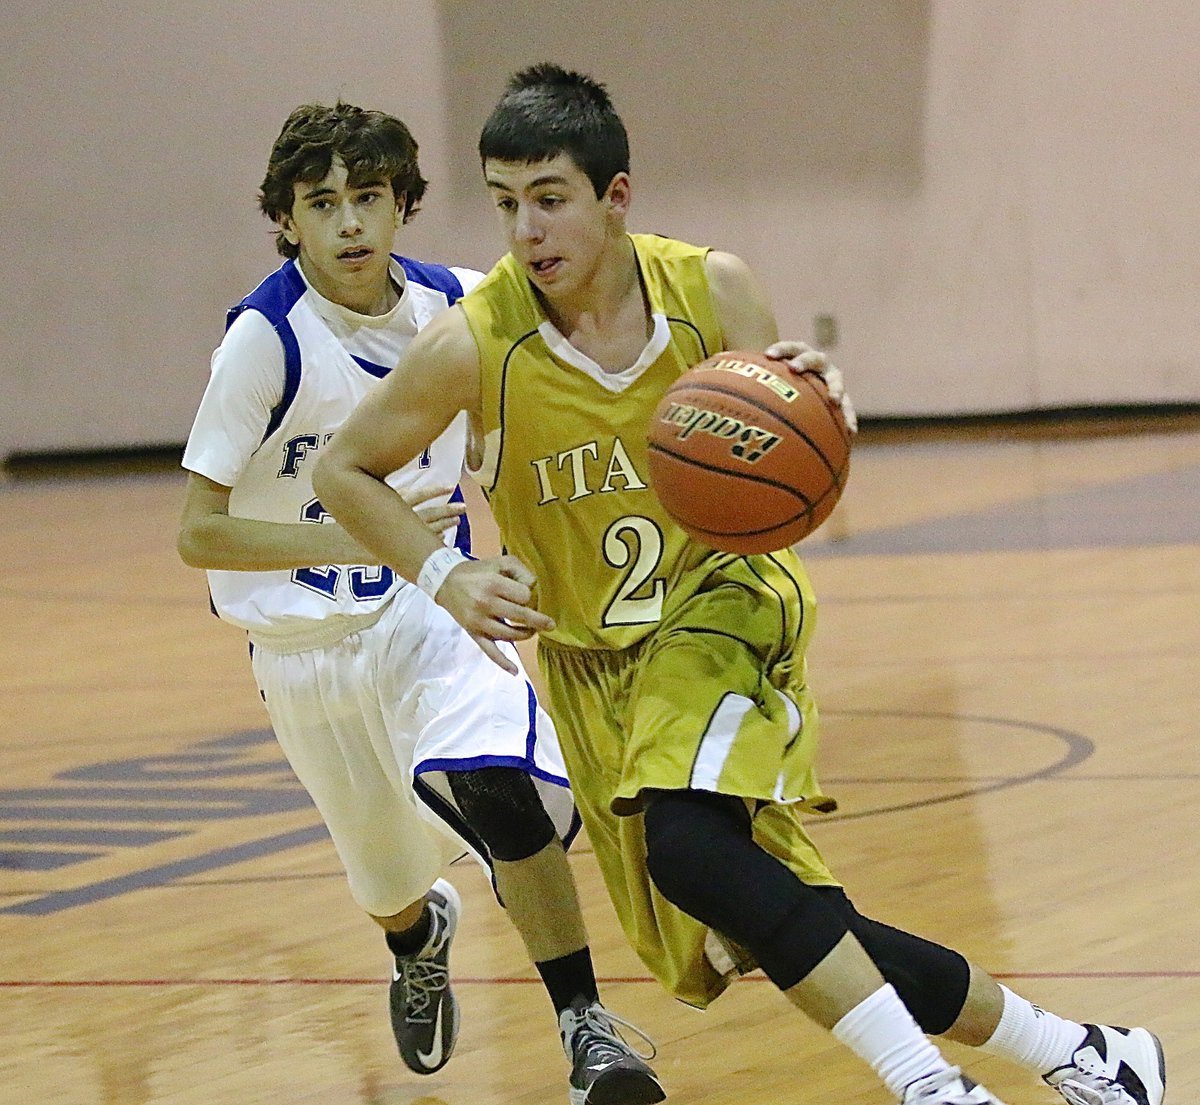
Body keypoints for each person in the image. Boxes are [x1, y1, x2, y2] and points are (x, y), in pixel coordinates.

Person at [312, 67, 1166, 1105]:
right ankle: (1086, 1054)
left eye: (550, 197)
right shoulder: (474, 342)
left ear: (614, 196)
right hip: (595, 670)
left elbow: (795, 448)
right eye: (503, 203)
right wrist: (445, 574)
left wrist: (816, 403)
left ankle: (934, 1090)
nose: (526, 228)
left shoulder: (708, 290)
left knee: (689, 849)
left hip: (727, 610)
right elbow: (341, 469)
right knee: (767, 917)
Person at [177, 100, 665, 1105]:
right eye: (323, 204)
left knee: (495, 779)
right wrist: (349, 532)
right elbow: (199, 531)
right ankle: (417, 936)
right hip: (305, 648)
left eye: (369, 198)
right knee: (389, 883)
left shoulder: (463, 304)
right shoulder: (265, 342)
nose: (350, 223)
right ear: (289, 220)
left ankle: (586, 1029)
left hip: (428, 610)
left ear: (402, 207)